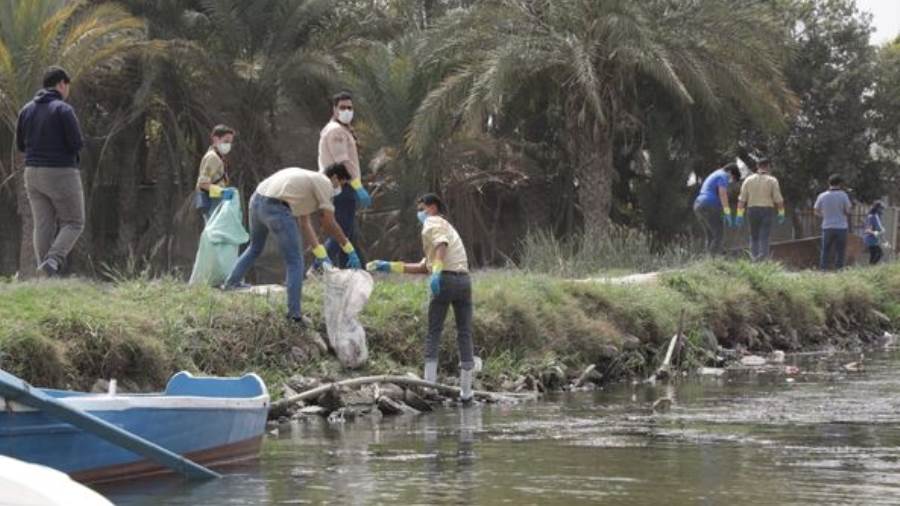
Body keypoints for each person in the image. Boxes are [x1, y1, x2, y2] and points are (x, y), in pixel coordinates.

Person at [366, 194, 476, 403]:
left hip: (444, 280)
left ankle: (430, 387)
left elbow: (441, 246)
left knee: (434, 331)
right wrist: (389, 266)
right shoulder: (446, 227)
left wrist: (437, 272)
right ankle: (467, 392)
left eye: (422, 208)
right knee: (465, 333)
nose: (419, 212)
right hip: (464, 282)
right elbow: (422, 266)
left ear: (432, 207)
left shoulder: (433, 222)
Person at [223, 164, 362, 324]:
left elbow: (305, 224)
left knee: (255, 247)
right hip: (276, 207)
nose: (340, 189)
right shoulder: (324, 182)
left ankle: (231, 282)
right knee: (295, 261)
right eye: (342, 184)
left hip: (256, 201)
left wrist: (322, 256)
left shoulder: (307, 184)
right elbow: (330, 222)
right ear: (335, 178)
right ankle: (294, 315)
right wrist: (348, 248)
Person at [16, 66, 85, 277]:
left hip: (32, 173)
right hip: (60, 172)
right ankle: (53, 260)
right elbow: (76, 143)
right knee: (74, 222)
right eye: (67, 87)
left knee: (43, 224)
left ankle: (45, 274)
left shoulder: (26, 110)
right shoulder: (63, 110)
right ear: (62, 84)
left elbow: (20, 145)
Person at [318, 91, 371, 268]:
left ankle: (350, 269)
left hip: (342, 186)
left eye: (350, 107)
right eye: (342, 108)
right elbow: (342, 162)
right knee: (341, 230)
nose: (347, 111)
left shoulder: (342, 130)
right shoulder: (336, 132)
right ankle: (318, 267)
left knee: (347, 231)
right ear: (334, 109)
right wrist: (357, 186)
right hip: (341, 186)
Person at [735, 157, 785, 262]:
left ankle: (754, 260)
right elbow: (778, 199)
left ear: (757, 166)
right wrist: (781, 212)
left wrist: (739, 215)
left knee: (754, 236)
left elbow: (742, 200)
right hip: (767, 210)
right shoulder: (772, 180)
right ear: (768, 167)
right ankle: (764, 260)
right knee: (764, 236)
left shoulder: (748, 180)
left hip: (752, 210)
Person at [693, 162, 741, 255]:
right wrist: (727, 212)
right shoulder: (722, 176)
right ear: (730, 172)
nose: (730, 181)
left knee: (710, 235)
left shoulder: (715, 174)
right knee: (719, 234)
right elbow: (723, 194)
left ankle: (708, 260)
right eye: (732, 178)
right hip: (708, 204)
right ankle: (713, 261)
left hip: (698, 204)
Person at [195, 125, 236, 221]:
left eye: (230, 143)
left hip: (216, 201)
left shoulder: (218, 156)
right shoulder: (213, 157)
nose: (228, 145)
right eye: (226, 141)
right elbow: (203, 184)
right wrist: (223, 192)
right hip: (212, 201)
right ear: (216, 139)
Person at [814, 174, 852, 270]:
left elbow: (815, 210)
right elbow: (848, 211)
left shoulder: (822, 195)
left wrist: (824, 216)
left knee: (825, 250)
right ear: (840, 183)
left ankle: (823, 269)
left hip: (827, 226)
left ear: (829, 183)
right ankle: (839, 270)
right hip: (841, 226)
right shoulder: (843, 195)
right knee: (840, 250)